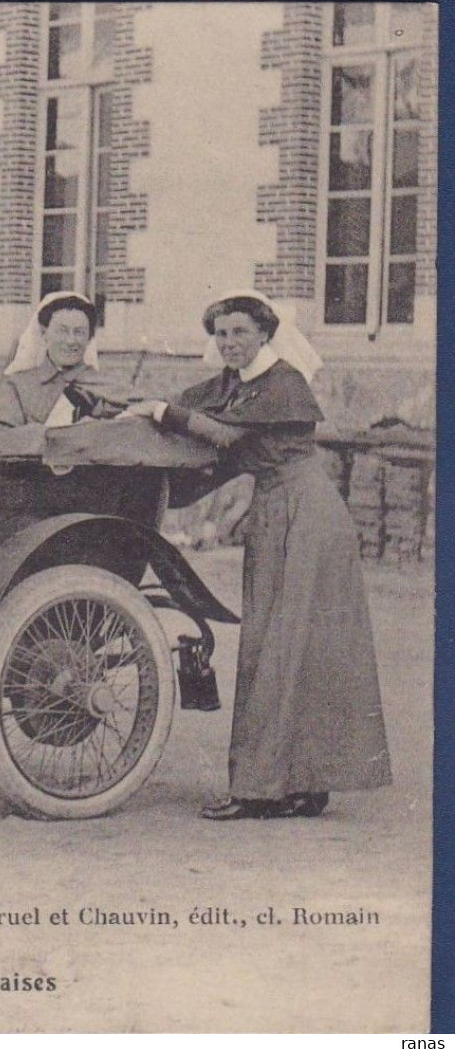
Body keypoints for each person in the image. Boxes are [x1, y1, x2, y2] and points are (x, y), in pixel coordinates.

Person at [124, 290, 391, 820]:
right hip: (275, 512)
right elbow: (196, 414)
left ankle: (263, 790)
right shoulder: (233, 382)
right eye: (221, 334)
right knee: (280, 642)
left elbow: (220, 434)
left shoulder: (284, 381)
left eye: (240, 333)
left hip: (306, 513)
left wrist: (159, 409)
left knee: (291, 644)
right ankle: (298, 784)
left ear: (265, 334)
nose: (229, 343)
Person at [0, 291, 128, 431]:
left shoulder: (108, 385)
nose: (71, 341)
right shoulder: (16, 386)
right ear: (44, 334)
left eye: (79, 332)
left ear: (89, 338)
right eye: (62, 331)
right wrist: (58, 435)